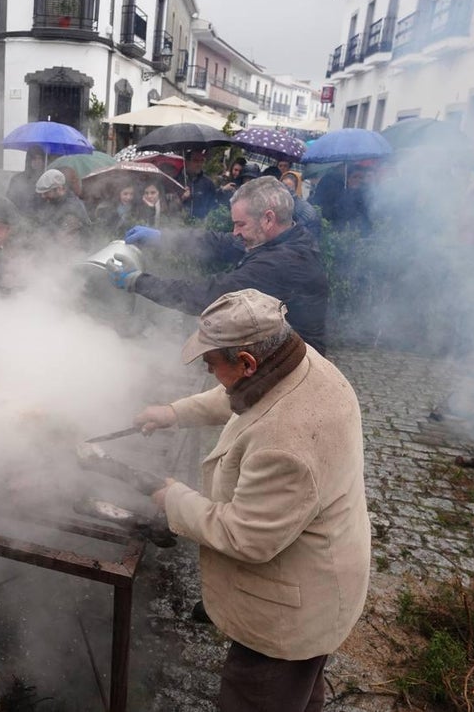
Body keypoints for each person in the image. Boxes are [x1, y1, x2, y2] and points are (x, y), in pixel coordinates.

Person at [134, 289, 370, 712]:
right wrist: (173, 412)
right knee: (300, 695)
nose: (211, 374)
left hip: (292, 610)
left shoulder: (287, 444)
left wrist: (174, 498)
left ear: (246, 362)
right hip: (323, 565)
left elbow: (246, 535)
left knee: (260, 694)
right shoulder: (295, 360)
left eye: (213, 365)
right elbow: (241, 396)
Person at [110, 177, 329, 353]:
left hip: (292, 370)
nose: (235, 232)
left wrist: (137, 281)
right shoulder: (282, 236)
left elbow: (208, 295)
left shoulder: (280, 263)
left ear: (268, 219)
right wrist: (161, 237)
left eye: (240, 224)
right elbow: (218, 242)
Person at [24, 168, 91, 247]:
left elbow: (64, 238)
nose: (43, 196)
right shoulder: (54, 202)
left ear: (59, 189)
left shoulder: (72, 208)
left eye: (46, 193)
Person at [183, 151, 225, 219]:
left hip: (201, 226)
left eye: (201, 161)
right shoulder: (178, 180)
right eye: (195, 161)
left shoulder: (208, 183)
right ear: (186, 162)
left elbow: (213, 207)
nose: (199, 164)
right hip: (179, 224)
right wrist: (182, 198)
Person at [6, 147, 47, 217]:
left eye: (39, 158)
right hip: (20, 219)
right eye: (34, 159)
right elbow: (9, 201)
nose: (37, 161)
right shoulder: (17, 179)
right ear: (29, 160)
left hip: (41, 220)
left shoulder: (47, 179)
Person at [281, 171, 322, 240]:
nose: (286, 193)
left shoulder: (301, 210)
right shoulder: (279, 204)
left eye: (290, 190)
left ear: (296, 189)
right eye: (283, 188)